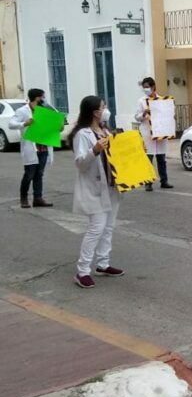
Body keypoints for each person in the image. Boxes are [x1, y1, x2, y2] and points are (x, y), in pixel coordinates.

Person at [69, 96, 124, 289]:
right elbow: (80, 163)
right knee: (96, 228)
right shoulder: (82, 134)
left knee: (109, 226)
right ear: (95, 112)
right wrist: (95, 149)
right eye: (103, 107)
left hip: (111, 185)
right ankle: (82, 270)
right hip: (94, 188)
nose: (106, 110)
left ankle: (103, 264)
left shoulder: (105, 131)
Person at [9, 88, 56, 209]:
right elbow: (11, 124)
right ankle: (23, 198)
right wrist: (24, 123)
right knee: (29, 174)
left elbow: (51, 126)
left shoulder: (44, 110)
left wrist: (58, 126)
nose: (44, 99)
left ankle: (38, 198)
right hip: (31, 147)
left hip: (43, 147)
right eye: (42, 97)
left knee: (39, 174)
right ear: (37, 98)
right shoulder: (23, 111)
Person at [135, 77, 173, 192]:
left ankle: (164, 181)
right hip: (147, 133)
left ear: (153, 87)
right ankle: (148, 183)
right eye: (144, 87)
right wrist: (144, 113)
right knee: (149, 159)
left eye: (147, 87)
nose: (146, 89)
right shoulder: (141, 101)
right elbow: (136, 117)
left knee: (161, 158)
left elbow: (167, 115)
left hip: (160, 132)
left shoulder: (162, 100)